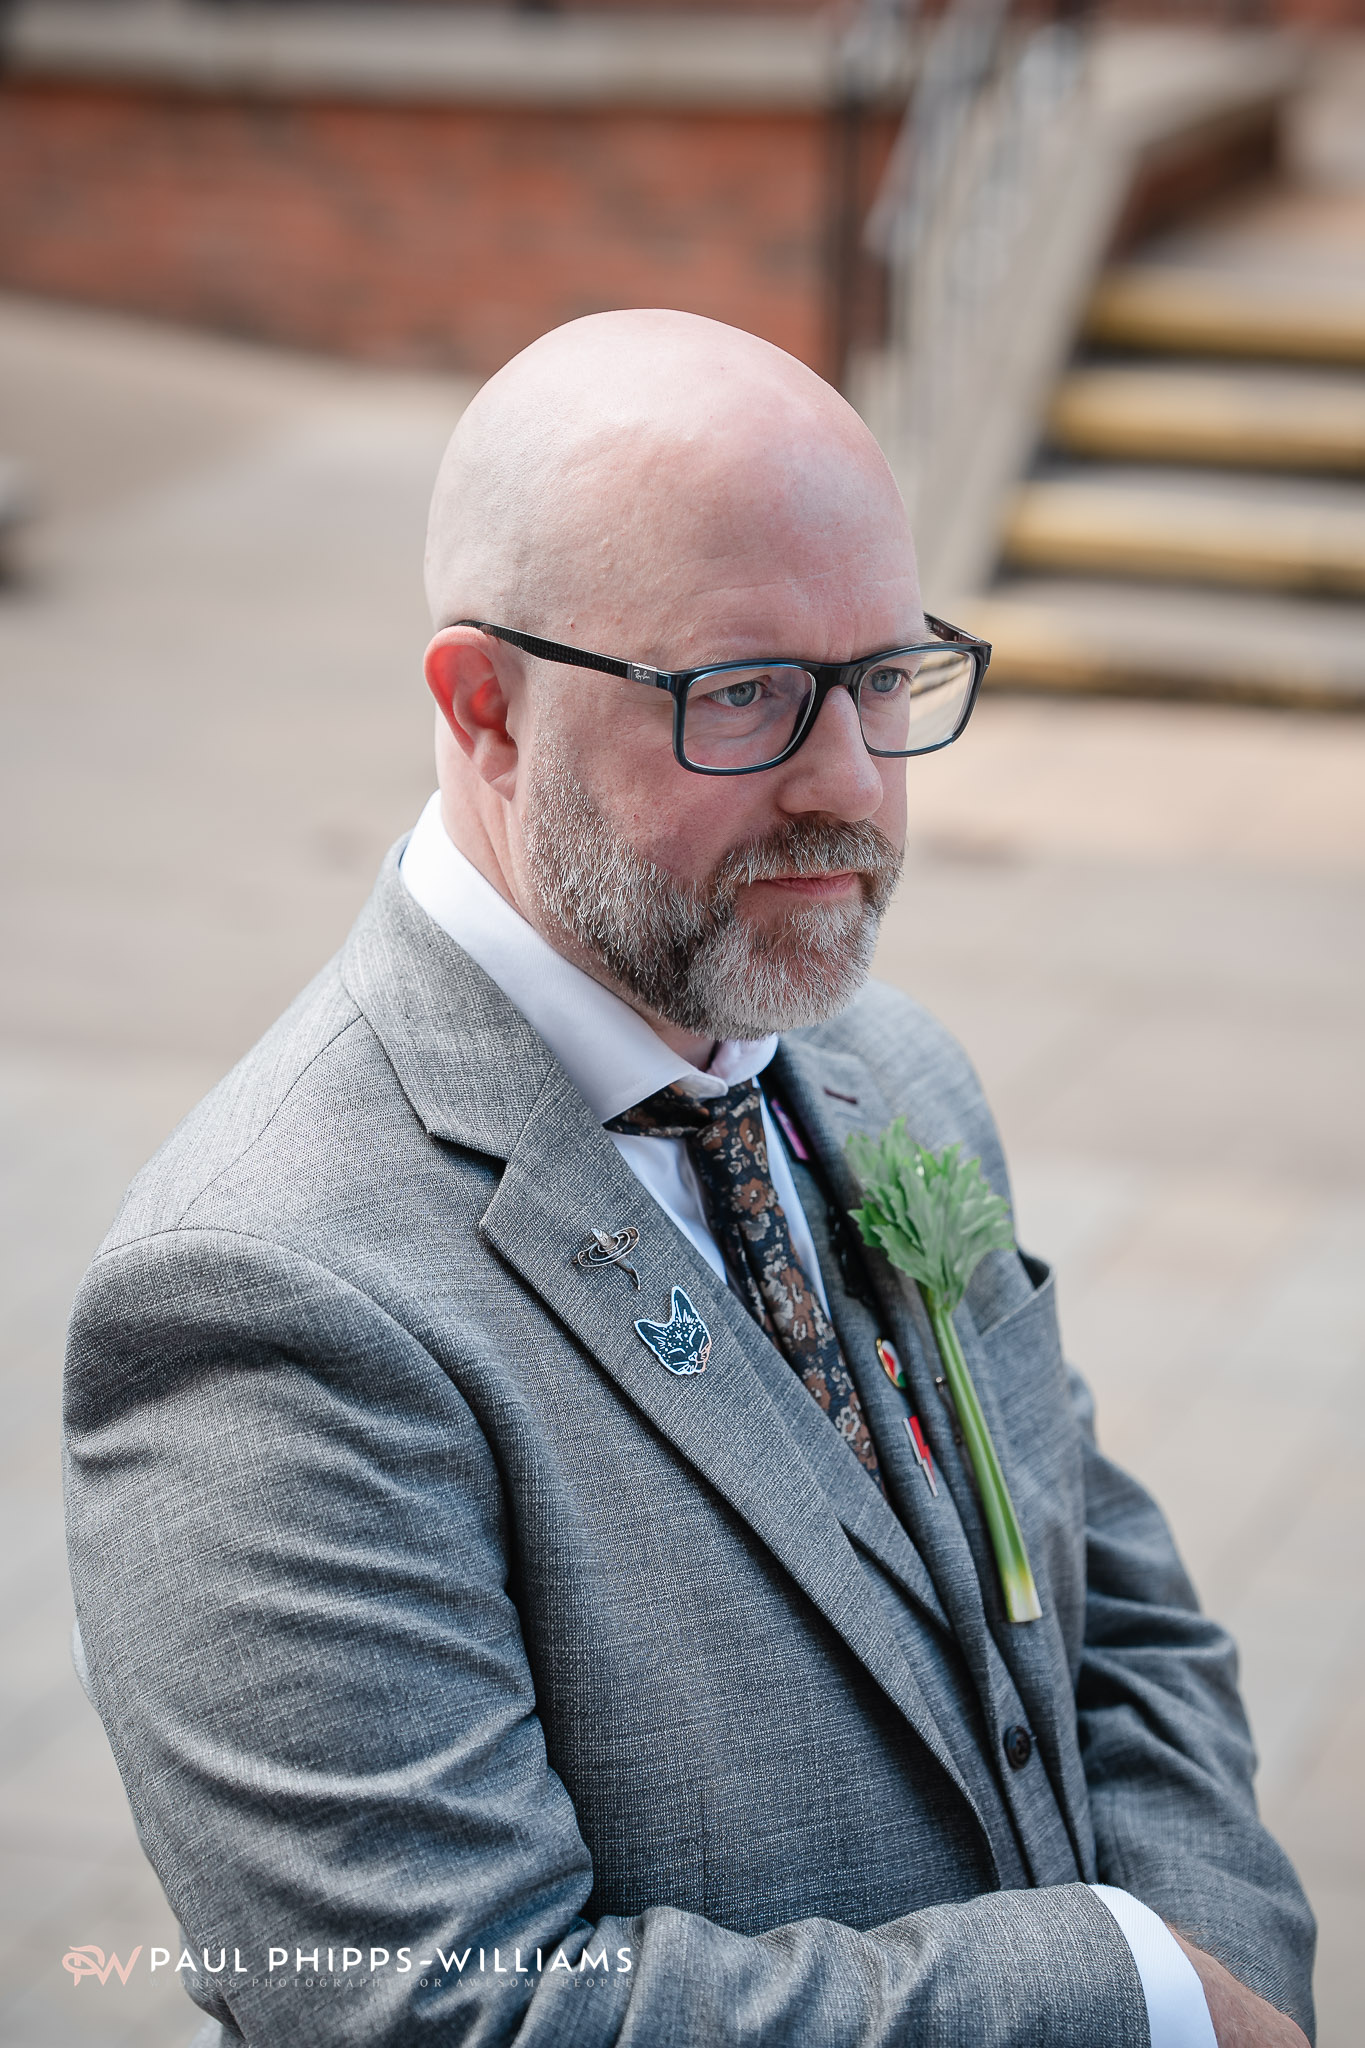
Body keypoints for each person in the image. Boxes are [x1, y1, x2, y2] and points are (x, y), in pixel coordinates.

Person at [64, 310, 1314, 2048]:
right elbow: (447, 2009)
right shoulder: (265, 1288)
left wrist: (1217, 1960)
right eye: (741, 694)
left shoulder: (893, 1072)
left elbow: (1111, 1615)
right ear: (485, 708)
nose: (848, 785)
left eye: (884, 678)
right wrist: (1126, 1995)